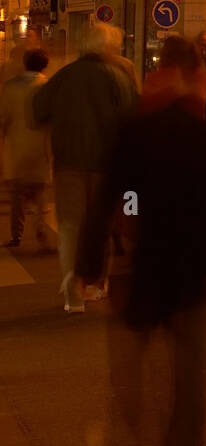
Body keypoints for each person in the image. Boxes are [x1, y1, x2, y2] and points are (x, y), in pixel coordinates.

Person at [77, 36, 206, 446]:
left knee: (131, 368)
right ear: (192, 75)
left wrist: (89, 264)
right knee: (188, 392)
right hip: (192, 282)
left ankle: (129, 433)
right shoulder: (203, 133)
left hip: (147, 278)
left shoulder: (137, 128)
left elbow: (107, 198)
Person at [32, 25, 138, 313]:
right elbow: (133, 120)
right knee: (100, 227)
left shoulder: (65, 75)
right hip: (106, 165)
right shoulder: (119, 77)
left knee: (69, 227)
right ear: (108, 48)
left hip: (68, 162)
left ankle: (72, 296)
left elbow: (38, 110)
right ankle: (95, 285)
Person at [0, 48, 52, 251]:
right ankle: (40, 230)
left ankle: (16, 235)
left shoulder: (11, 86)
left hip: (17, 148)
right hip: (40, 148)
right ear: (45, 65)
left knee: (17, 197)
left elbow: (3, 117)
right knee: (40, 195)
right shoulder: (48, 86)